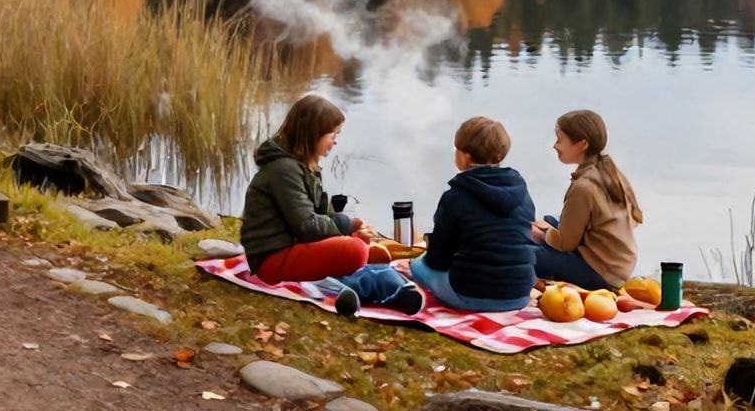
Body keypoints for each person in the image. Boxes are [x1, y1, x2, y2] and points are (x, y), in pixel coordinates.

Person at [238, 95, 425, 316]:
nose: (335, 141)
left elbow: (321, 215)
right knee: (353, 251)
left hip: (294, 246)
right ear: (312, 134)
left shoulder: (305, 167)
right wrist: (347, 225)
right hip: (272, 259)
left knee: (355, 245)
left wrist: (354, 228)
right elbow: (308, 226)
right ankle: (371, 283)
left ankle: (383, 278)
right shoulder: (284, 170)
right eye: (332, 134)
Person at [405, 117, 536, 312]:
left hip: (468, 295)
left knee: (416, 266)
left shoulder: (455, 197)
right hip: (520, 294)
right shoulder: (522, 193)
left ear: (465, 157)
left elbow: (438, 260)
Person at [530, 109, 641, 290]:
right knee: (550, 221)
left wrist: (540, 234)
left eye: (560, 140)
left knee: (526, 253)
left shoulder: (583, 187)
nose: (555, 146)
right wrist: (548, 229)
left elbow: (566, 244)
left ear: (582, 144)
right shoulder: (607, 171)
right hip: (619, 266)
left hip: (602, 274)